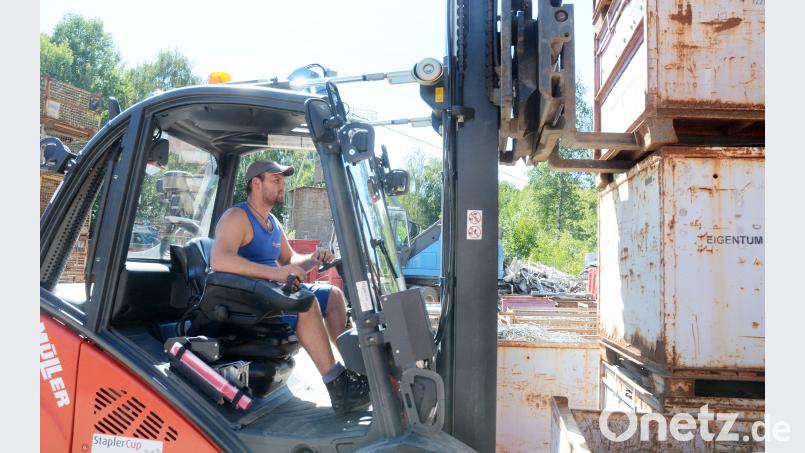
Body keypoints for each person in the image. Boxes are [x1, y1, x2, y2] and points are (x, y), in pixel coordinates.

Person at [209, 159, 370, 414]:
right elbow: (219, 259)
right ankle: (338, 387)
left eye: (283, 180)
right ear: (255, 183)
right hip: (251, 304)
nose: (282, 185)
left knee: (334, 296)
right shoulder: (237, 217)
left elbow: (290, 260)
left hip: (272, 293)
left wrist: (314, 258)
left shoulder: (271, 222)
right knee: (307, 302)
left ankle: (358, 371)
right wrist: (276, 273)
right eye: (276, 180)